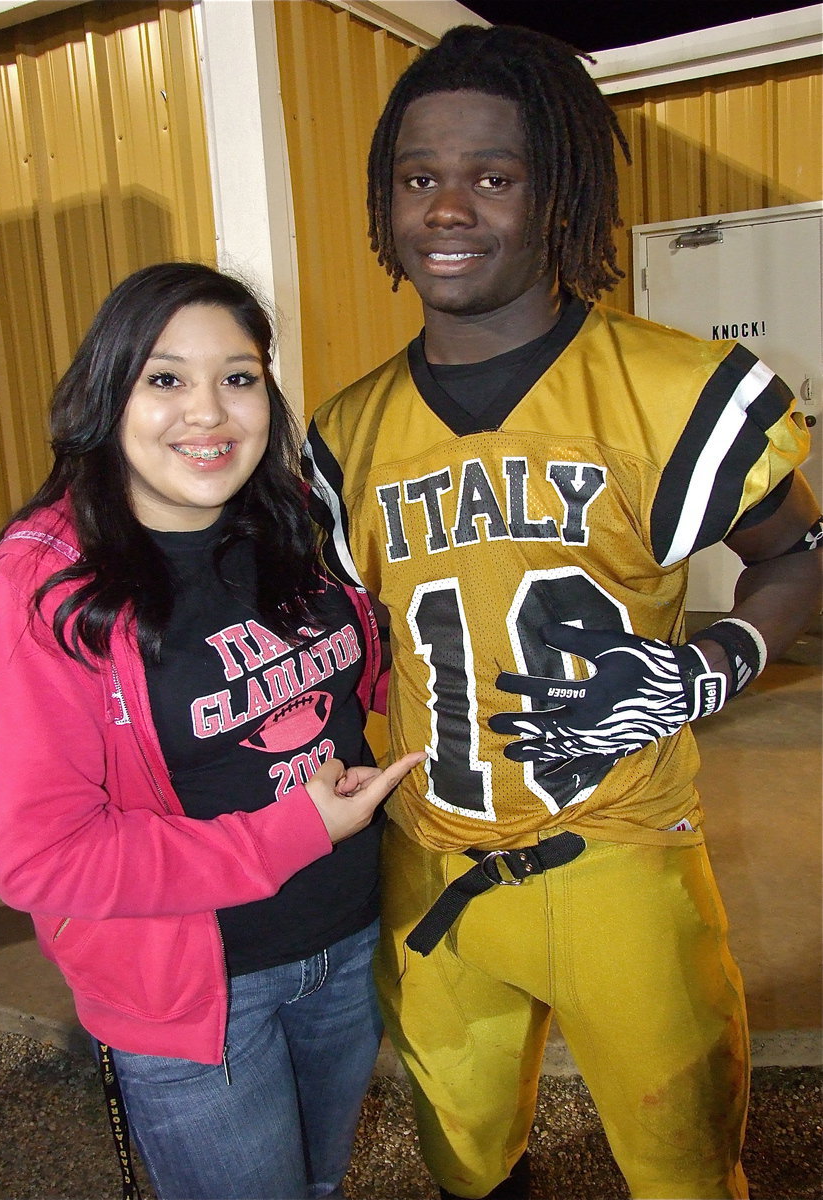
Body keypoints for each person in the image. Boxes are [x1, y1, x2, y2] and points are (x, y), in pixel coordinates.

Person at [302, 24, 823, 1200]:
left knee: (687, 1167)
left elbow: (802, 553)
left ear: (559, 196)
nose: (448, 208)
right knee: (468, 1167)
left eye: (494, 176)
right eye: (418, 177)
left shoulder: (670, 388)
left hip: (619, 860)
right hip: (430, 867)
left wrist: (710, 664)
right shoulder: (341, 435)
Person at [0, 261, 424, 1200]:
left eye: (238, 377)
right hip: (195, 991)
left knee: (319, 1185)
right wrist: (296, 830)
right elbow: (42, 859)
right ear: (108, 395)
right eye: (166, 378)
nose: (209, 413)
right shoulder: (43, 588)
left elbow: (360, 677)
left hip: (348, 937)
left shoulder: (292, 522)